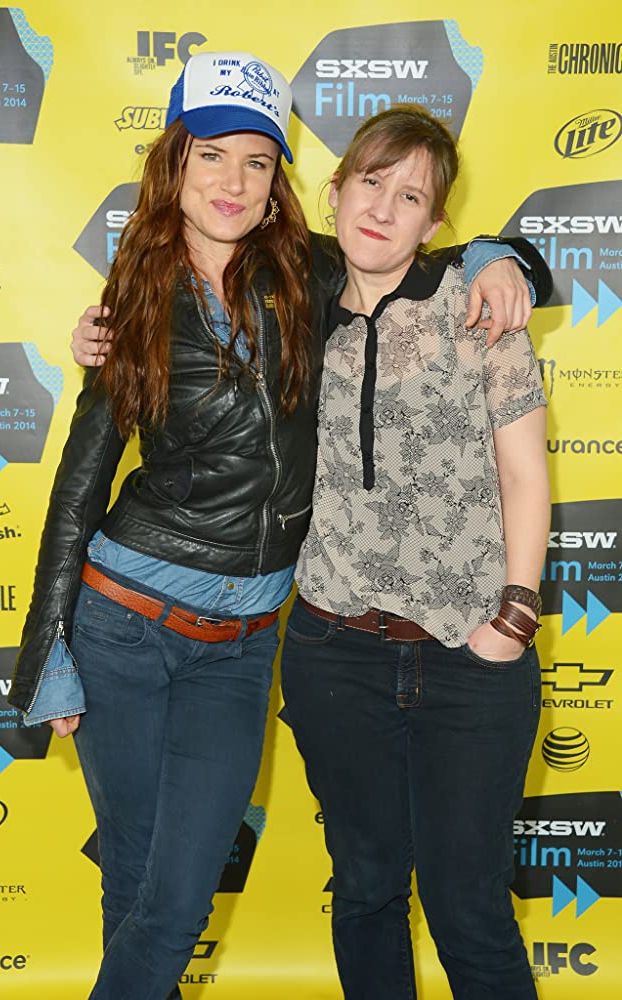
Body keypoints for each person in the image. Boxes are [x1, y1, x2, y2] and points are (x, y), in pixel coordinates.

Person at [11, 50, 549, 1000]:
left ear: (279, 185)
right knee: (137, 883)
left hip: (246, 640)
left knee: (175, 903)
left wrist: (504, 257)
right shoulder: (134, 297)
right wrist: (45, 643)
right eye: (211, 156)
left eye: (256, 162)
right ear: (174, 164)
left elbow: (420, 255)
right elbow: (79, 483)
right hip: (125, 620)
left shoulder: (308, 273)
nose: (232, 181)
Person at [279, 106, 549, 1000]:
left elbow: (523, 476)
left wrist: (512, 619)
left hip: (469, 655)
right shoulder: (291, 308)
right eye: (370, 182)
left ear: (435, 224)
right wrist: (100, 333)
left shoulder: (477, 306)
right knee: (363, 891)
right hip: (332, 650)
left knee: (467, 908)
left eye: (409, 196)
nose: (382, 208)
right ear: (333, 192)